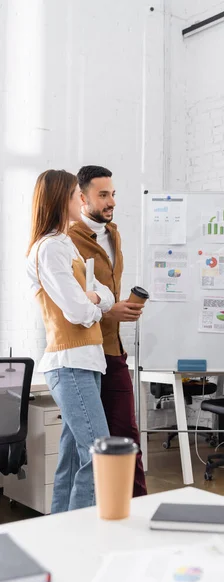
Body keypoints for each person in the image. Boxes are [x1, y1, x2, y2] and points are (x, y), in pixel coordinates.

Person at [27, 169, 115, 512]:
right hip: (71, 363)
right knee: (99, 452)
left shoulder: (66, 246)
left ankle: (59, 529)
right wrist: (93, 299)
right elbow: (79, 310)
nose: (83, 200)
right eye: (76, 195)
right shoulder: (49, 250)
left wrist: (93, 298)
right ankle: (82, 534)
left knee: (72, 457)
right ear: (61, 200)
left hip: (87, 362)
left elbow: (104, 295)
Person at [69, 165, 147, 497]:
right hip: (86, 354)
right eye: (103, 195)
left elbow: (104, 287)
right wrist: (109, 309)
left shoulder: (113, 233)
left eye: (112, 194)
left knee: (127, 435)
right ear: (82, 197)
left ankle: (137, 508)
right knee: (86, 447)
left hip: (113, 352)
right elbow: (72, 298)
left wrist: (120, 310)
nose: (110, 201)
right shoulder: (68, 240)